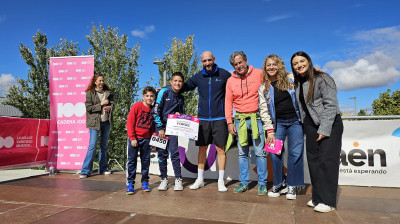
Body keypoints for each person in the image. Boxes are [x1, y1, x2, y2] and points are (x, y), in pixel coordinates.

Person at [291, 51, 343, 213]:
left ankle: (328, 202)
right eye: (295, 63)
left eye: (302, 61)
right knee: (314, 162)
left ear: (309, 61)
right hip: (310, 126)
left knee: (327, 162)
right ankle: (317, 198)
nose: (299, 65)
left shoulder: (323, 78)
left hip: (329, 124)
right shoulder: (298, 82)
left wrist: (324, 129)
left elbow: (331, 105)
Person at [181, 51, 231, 192]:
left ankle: (221, 181)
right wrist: (165, 89)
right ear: (201, 62)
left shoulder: (225, 74)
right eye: (204, 61)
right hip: (202, 120)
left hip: (220, 119)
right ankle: (200, 179)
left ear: (214, 59)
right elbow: (181, 87)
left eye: (209, 60)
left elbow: (235, 88)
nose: (207, 63)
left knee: (221, 150)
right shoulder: (197, 77)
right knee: (202, 149)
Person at [258, 54, 304, 200]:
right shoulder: (264, 88)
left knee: (295, 153)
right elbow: (263, 110)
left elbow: (306, 76)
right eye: (268, 65)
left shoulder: (291, 78)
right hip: (277, 125)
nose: (271, 67)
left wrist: (315, 71)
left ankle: (292, 185)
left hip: (295, 122)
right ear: (265, 68)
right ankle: (279, 183)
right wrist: (269, 130)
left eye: (274, 64)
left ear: (279, 66)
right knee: (274, 153)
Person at [225, 51, 267, 194]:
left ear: (246, 60)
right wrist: (229, 122)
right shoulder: (230, 81)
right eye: (235, 64)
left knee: (260, 152)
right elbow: (228, 102)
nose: (239, 66)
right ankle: (244, 183)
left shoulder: (260, 73)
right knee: (242, 154)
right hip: (240, 120)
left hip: (257, 119)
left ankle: (262, 183)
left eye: (240, 62)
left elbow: (275, 82)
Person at [153, 72, 185, 191]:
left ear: (182, 83)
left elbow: (181, 113)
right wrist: (160, 128)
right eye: (175, 80)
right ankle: (164, 179)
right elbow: (156, 111)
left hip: (172, 127)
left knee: (175, 152)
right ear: (171, 81)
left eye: (180, 81)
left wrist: (179, 114)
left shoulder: (181, 97)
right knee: (161, 153)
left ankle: (178, 179)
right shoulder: (163, 92)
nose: (177, 83)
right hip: (160, 127)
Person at [80, 74, 114, 179]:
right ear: (95, 82)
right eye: (99, 81)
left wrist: (110, 107)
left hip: (106, 122)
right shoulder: (90, 93)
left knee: (103, 146)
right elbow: (89, 108)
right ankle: (85, 171)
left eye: (103, 80)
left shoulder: (108, 93)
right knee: (92, 146)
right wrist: (101, 104)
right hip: (94, 123)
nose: (101, 82)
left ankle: (103, 168)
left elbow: (113, 105)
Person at [125, 86, 156, 194]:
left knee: (145, 161)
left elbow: (153, 127)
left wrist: (153, 141)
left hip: (146, 139)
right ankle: (130, 183)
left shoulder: (153, 110)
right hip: (135, 139)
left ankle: (145, 182)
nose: (149, 98)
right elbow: (130, 123)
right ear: (143, 96)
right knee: (132, 161)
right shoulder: (137, 106)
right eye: (147, 96)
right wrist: (132, 137)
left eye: (152, 96)